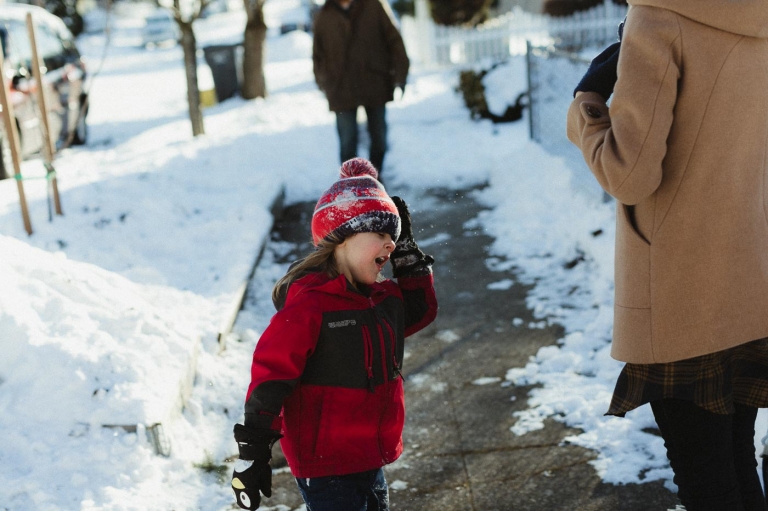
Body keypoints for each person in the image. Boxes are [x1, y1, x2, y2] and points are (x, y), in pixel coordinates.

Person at [567, 2, 768, 510]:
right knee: (736, 462)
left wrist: (586, 104)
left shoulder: (658, 17)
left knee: (707, 482)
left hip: (681, 295)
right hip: (749, 280)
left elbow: (629, 175)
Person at [230, 158, 437, 511]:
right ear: (342, 237)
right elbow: (271, 377)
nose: (390, 245)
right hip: (327, 466)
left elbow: (419, 310)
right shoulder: (311, 306)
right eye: (381, 235)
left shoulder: (380, 300)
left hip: (370, 456)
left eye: (394, 238)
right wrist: (254, 453)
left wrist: (406, 255)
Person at [311, 0, 409, 177]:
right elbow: (318, 55)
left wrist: (400, 76)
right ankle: (352, 185)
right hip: (340, 89)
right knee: (347, 142)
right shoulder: (325, 15)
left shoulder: (374, 6)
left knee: (379, 139)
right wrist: (324, 82)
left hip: (374, 83)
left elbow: (394, 40)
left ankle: (374, 180)